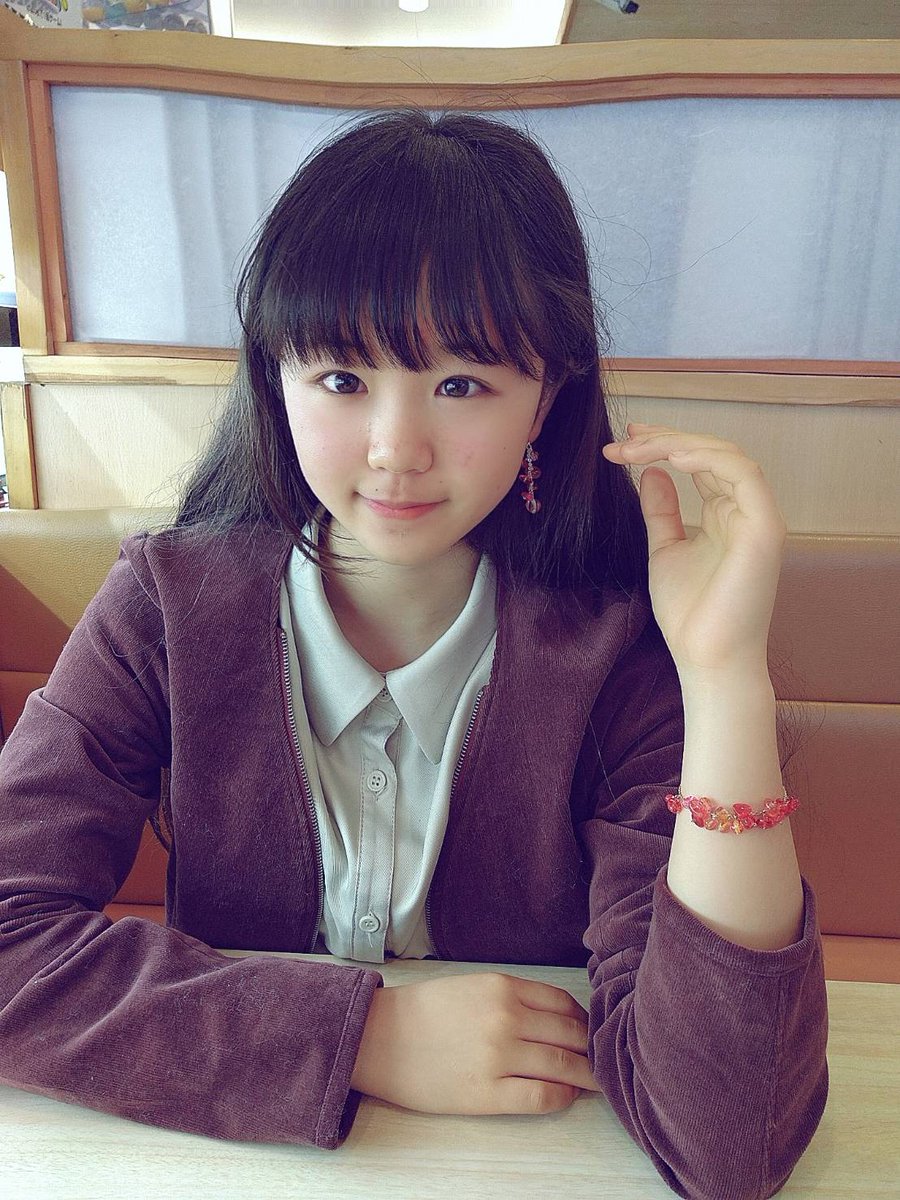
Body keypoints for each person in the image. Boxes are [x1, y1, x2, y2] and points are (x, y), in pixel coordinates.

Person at [0, 107, 827, 1199]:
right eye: (342, 379)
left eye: (462, 384)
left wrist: (723, 676)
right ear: (276, 379)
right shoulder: (165, 606)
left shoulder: (621, 643)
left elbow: (727, 1141)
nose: (397, 450)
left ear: (548, 397)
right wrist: (364, 1037)